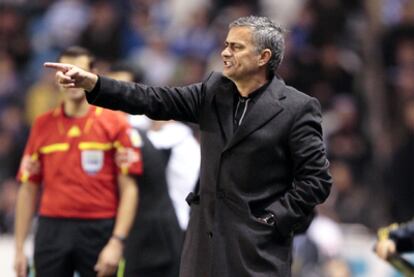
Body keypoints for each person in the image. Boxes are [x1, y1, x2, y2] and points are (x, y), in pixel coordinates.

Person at [45, 16, 332, 277]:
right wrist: (94, 84)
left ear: (263, 57)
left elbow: (316, 181)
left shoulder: (297, 108)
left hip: (257, 254)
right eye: (226, 45)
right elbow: (152, 99)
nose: (225, 53)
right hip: (201, 249)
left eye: (236, 47)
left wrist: (272, 217)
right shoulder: (212, 91)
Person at [14, 46, 141, 277]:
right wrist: (20, 249)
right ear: (56, 77)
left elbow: (129, 189)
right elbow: (27, 188)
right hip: (51, 229)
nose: (71, 78)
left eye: (78, 70)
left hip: (99, 228)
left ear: (92, 73)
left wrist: (117, 242)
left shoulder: (115, 123)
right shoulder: (42, 125)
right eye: (65, 71)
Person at [107, 66, 184, 277]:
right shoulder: (117, 130)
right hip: (140, 233)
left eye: (121, 89)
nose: (113, 96)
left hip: (153, 238)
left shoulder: (135, 134)